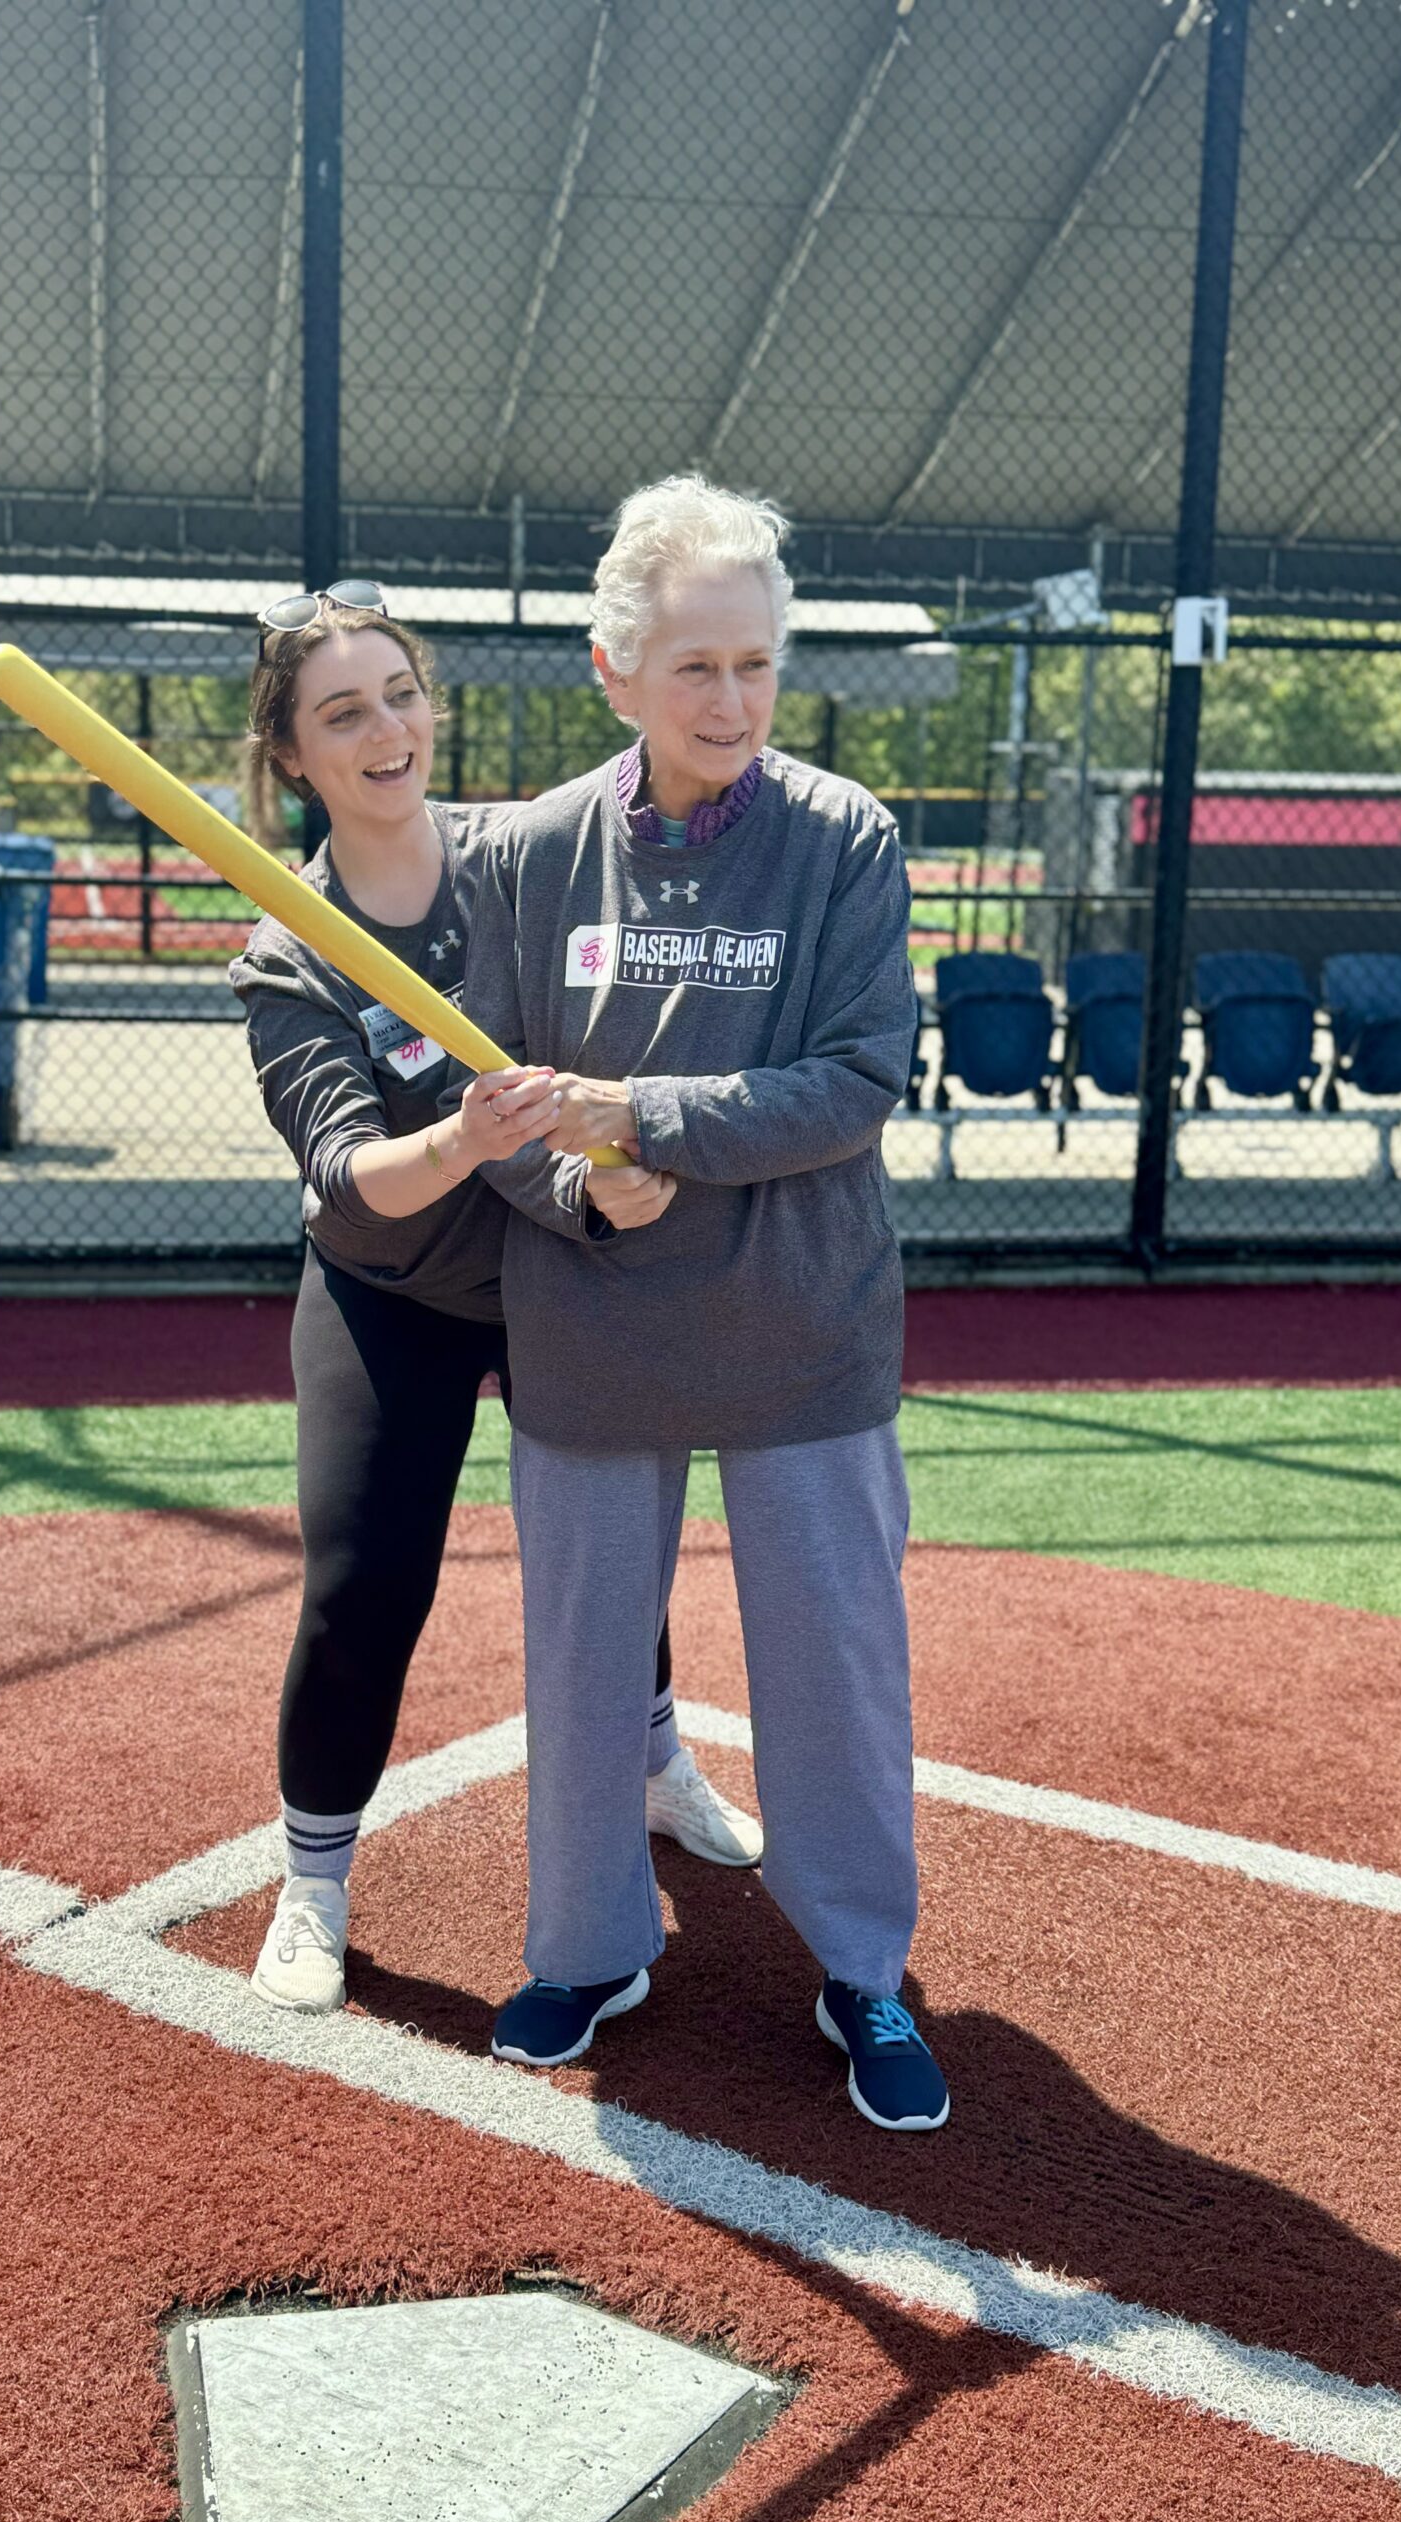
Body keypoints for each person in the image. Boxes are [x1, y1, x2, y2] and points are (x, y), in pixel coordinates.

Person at [461, 479, 949, 2129]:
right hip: (594, 1327)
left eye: (756, 663)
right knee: (585, 1663)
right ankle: (589, 1944)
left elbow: (856, 1080)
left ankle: (864, 1970)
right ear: (615, 672)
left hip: (803, 1328)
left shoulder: (846, 838)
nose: (733, 701)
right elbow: (493, 1099)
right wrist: (575, 1179)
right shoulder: (529, 853)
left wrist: (640, 1124)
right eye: (695, 669)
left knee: (835, 1665)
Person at [226, 579, 764, 2015]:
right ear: (294, 754)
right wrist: (467, 1135)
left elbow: (607, 1050)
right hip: (389, 1288)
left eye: (401, 695)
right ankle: (315, 1882)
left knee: (612, 1552)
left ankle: (657, 1763)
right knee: (361, 1585)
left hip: (552, 1266)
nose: (387, 729)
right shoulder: (289, 945)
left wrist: (606, 1182)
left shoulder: (524, 858)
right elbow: (349, 1179)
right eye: (343, 712)